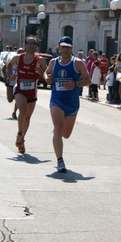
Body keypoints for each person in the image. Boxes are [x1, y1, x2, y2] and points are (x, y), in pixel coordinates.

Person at [44, 36, 91, 172]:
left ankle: (57, 133)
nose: (65, 49)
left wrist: (75, 83)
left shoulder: (77, 63)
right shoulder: (53, 62)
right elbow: (46, 73)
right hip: (56, 101)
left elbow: (88, 80)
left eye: (68, 47)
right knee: (58, 128)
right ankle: (60, 161)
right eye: (63, 46)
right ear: (58, 47)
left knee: (66, 134)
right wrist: (47, 78)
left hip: (72, 103)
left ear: (72, 48)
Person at [7, 36, 47, 154]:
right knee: (23, 111)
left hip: (32, 91)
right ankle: (19, 133)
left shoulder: (40, 60)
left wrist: (41, 74)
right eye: (29, 43)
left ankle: (22, 140)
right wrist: (10, 75)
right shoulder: (18, 58)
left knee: (28, 117)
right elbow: (9, 65)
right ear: (24, 45)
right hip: (20, 89)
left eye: (34, 43)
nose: (31, 45)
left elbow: (47, 72)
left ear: (36, 46)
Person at [3, 48, 25, 119]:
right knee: (10, 100)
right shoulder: (12, 61)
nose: (20, 54)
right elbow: (3, 69)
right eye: (19, 52)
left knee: (17, 98)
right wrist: (7, 76)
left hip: (19, 83)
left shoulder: (25, 62)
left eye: (21, 53)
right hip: (10, 83)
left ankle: (14, 112)